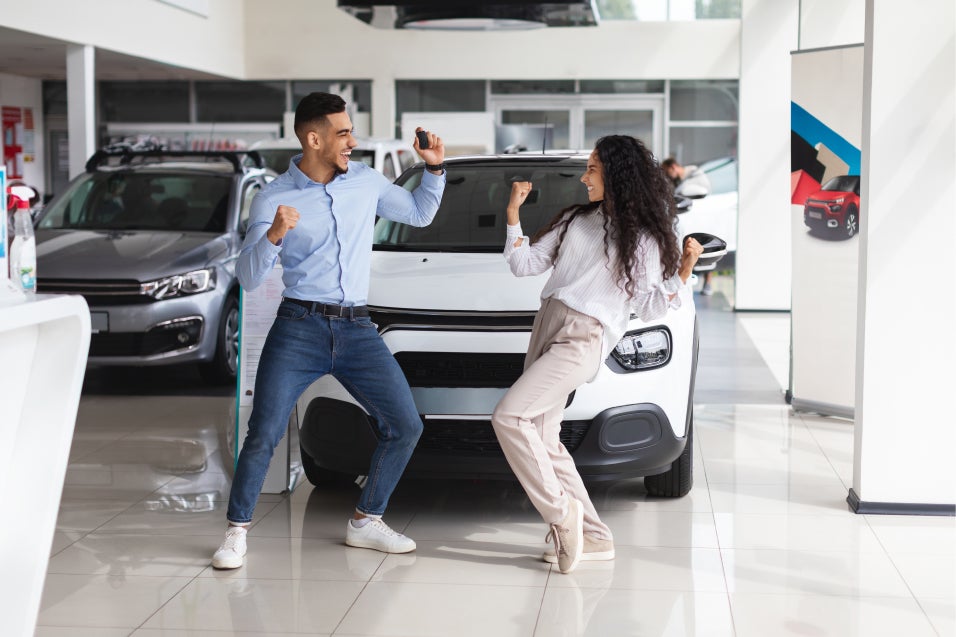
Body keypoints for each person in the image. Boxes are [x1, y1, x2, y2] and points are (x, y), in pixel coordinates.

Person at [211, 92, 447, 569]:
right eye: (343, 133)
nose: (352, 142)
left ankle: (366, 520)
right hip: (299, 327)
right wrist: (274, 235)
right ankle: (236, 533)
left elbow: (419, 213)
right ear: (313, 138)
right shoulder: (274, 197)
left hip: (358, 327)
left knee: (405, 425)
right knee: (264, 432)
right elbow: (250, 276)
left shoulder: (364, 181)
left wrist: (434, 171)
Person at [491, 136, 703, 574]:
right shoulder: (575, 220)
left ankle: (560, 515)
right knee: (545, 440)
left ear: (616, 174)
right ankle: (594, 535)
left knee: (510, 417)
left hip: (583, 338)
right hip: (547, 326)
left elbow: (648, 306)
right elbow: (524, 265)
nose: (584, 177)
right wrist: (513, 213)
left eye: (592, 169)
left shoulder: (642, 239)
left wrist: (683, 271)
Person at [661, 157, 714, 295]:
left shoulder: (695, 174)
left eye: (667, 172)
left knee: (703, 248)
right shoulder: (677, 181)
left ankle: (708, 282)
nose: (667, 176)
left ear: (673, 167)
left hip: (700, 218)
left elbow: (703, 191)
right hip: (687, 218)